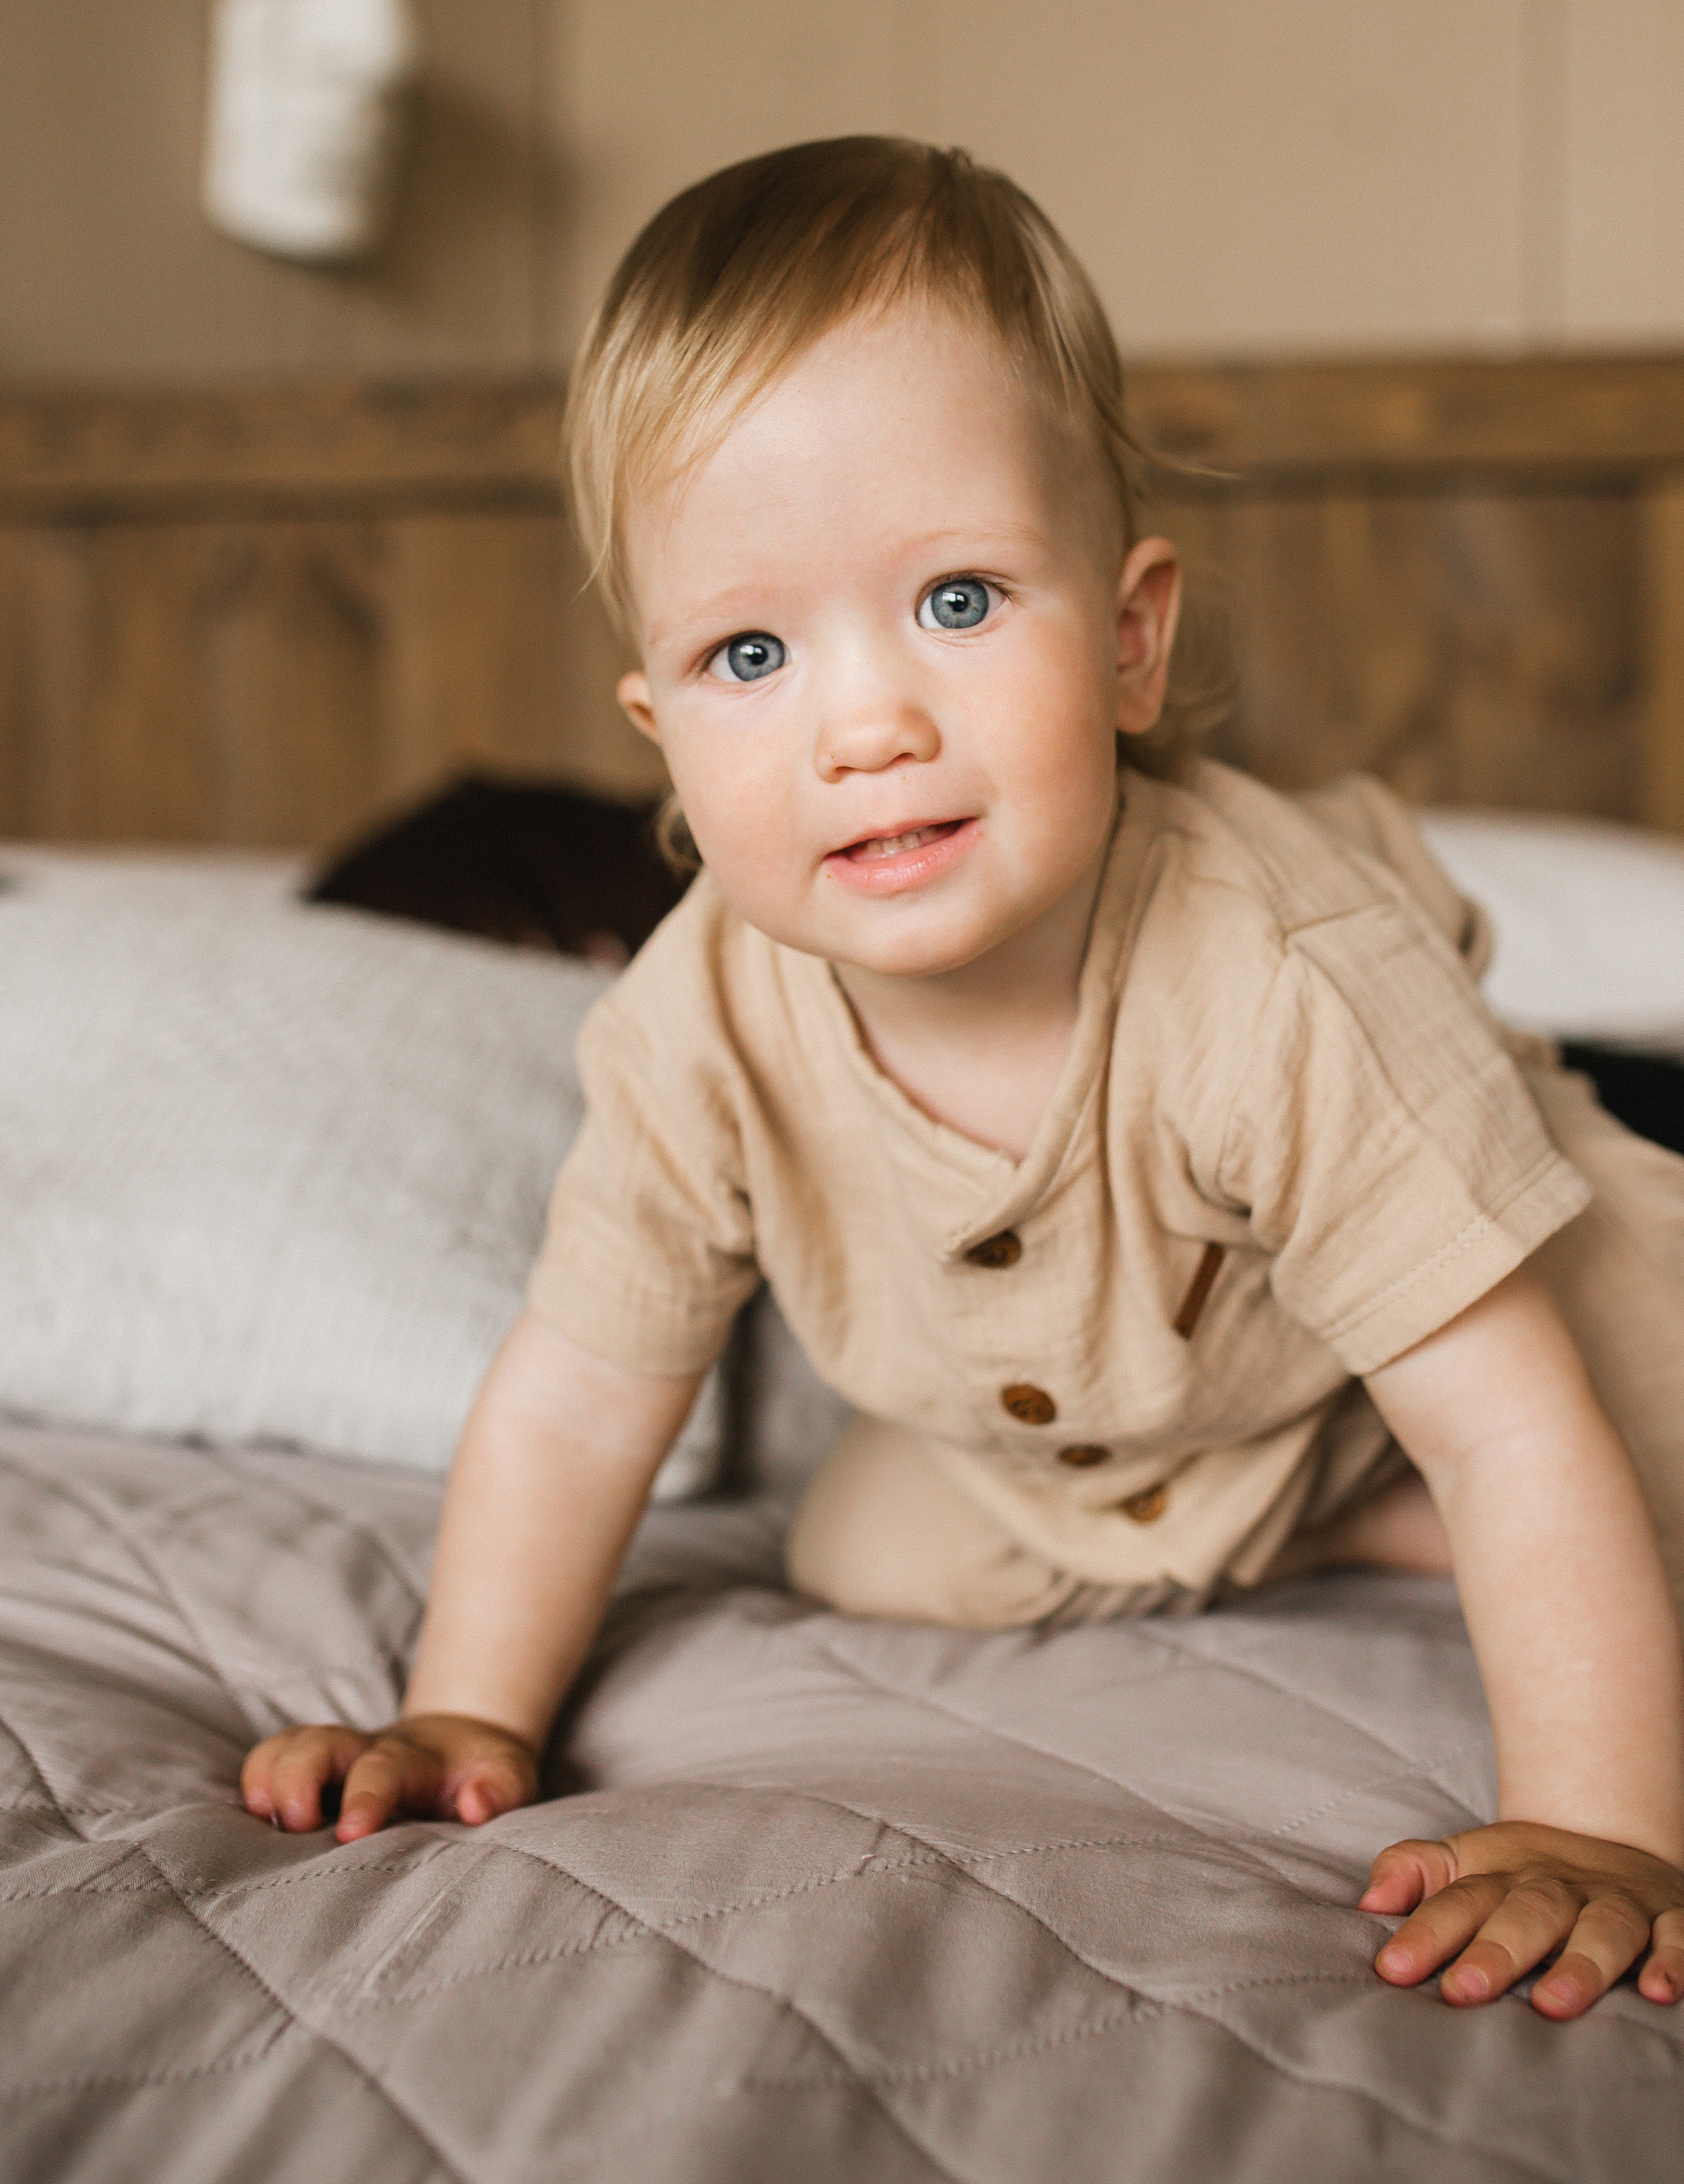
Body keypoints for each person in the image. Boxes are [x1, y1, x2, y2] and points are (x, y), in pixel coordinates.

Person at [242, 137, 1684, 2021]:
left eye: (957, 602)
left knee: (1620, 1434)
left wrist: (1595, 1825)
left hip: (1508, 1304)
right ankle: (1330, 1511)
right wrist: (464, 1710)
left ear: (1132, 643)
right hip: (1143, 1431)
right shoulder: (698, 1022)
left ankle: (1387, 1466)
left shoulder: (1273, 977)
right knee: (866, 1548)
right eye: (751, 650)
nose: (867, 725)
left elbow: (1505, 1420)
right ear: (663, 732)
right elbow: (582, 1394)